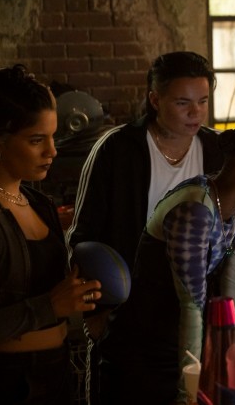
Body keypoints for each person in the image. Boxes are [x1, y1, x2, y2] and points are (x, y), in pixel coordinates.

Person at [98, 107, 235, 405]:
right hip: (141, 354)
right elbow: (191, 306)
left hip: (185, 349)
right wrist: (188, 394)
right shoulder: (194, 211)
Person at [0, 64, 102, 404]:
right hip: (10, 381)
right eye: (36, 140)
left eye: (53, 136)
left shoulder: (40, 204)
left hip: (57, 374)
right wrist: (50, 306)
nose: (52, 151)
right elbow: (50, 303)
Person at [67, 51, 223, 272]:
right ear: (155, 100)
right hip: (132, 282)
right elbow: (85, 234)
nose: (195, 112)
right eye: (182, 103)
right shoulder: (117, 148)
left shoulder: (218, 149)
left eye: (203, 101)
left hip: (200, 282)